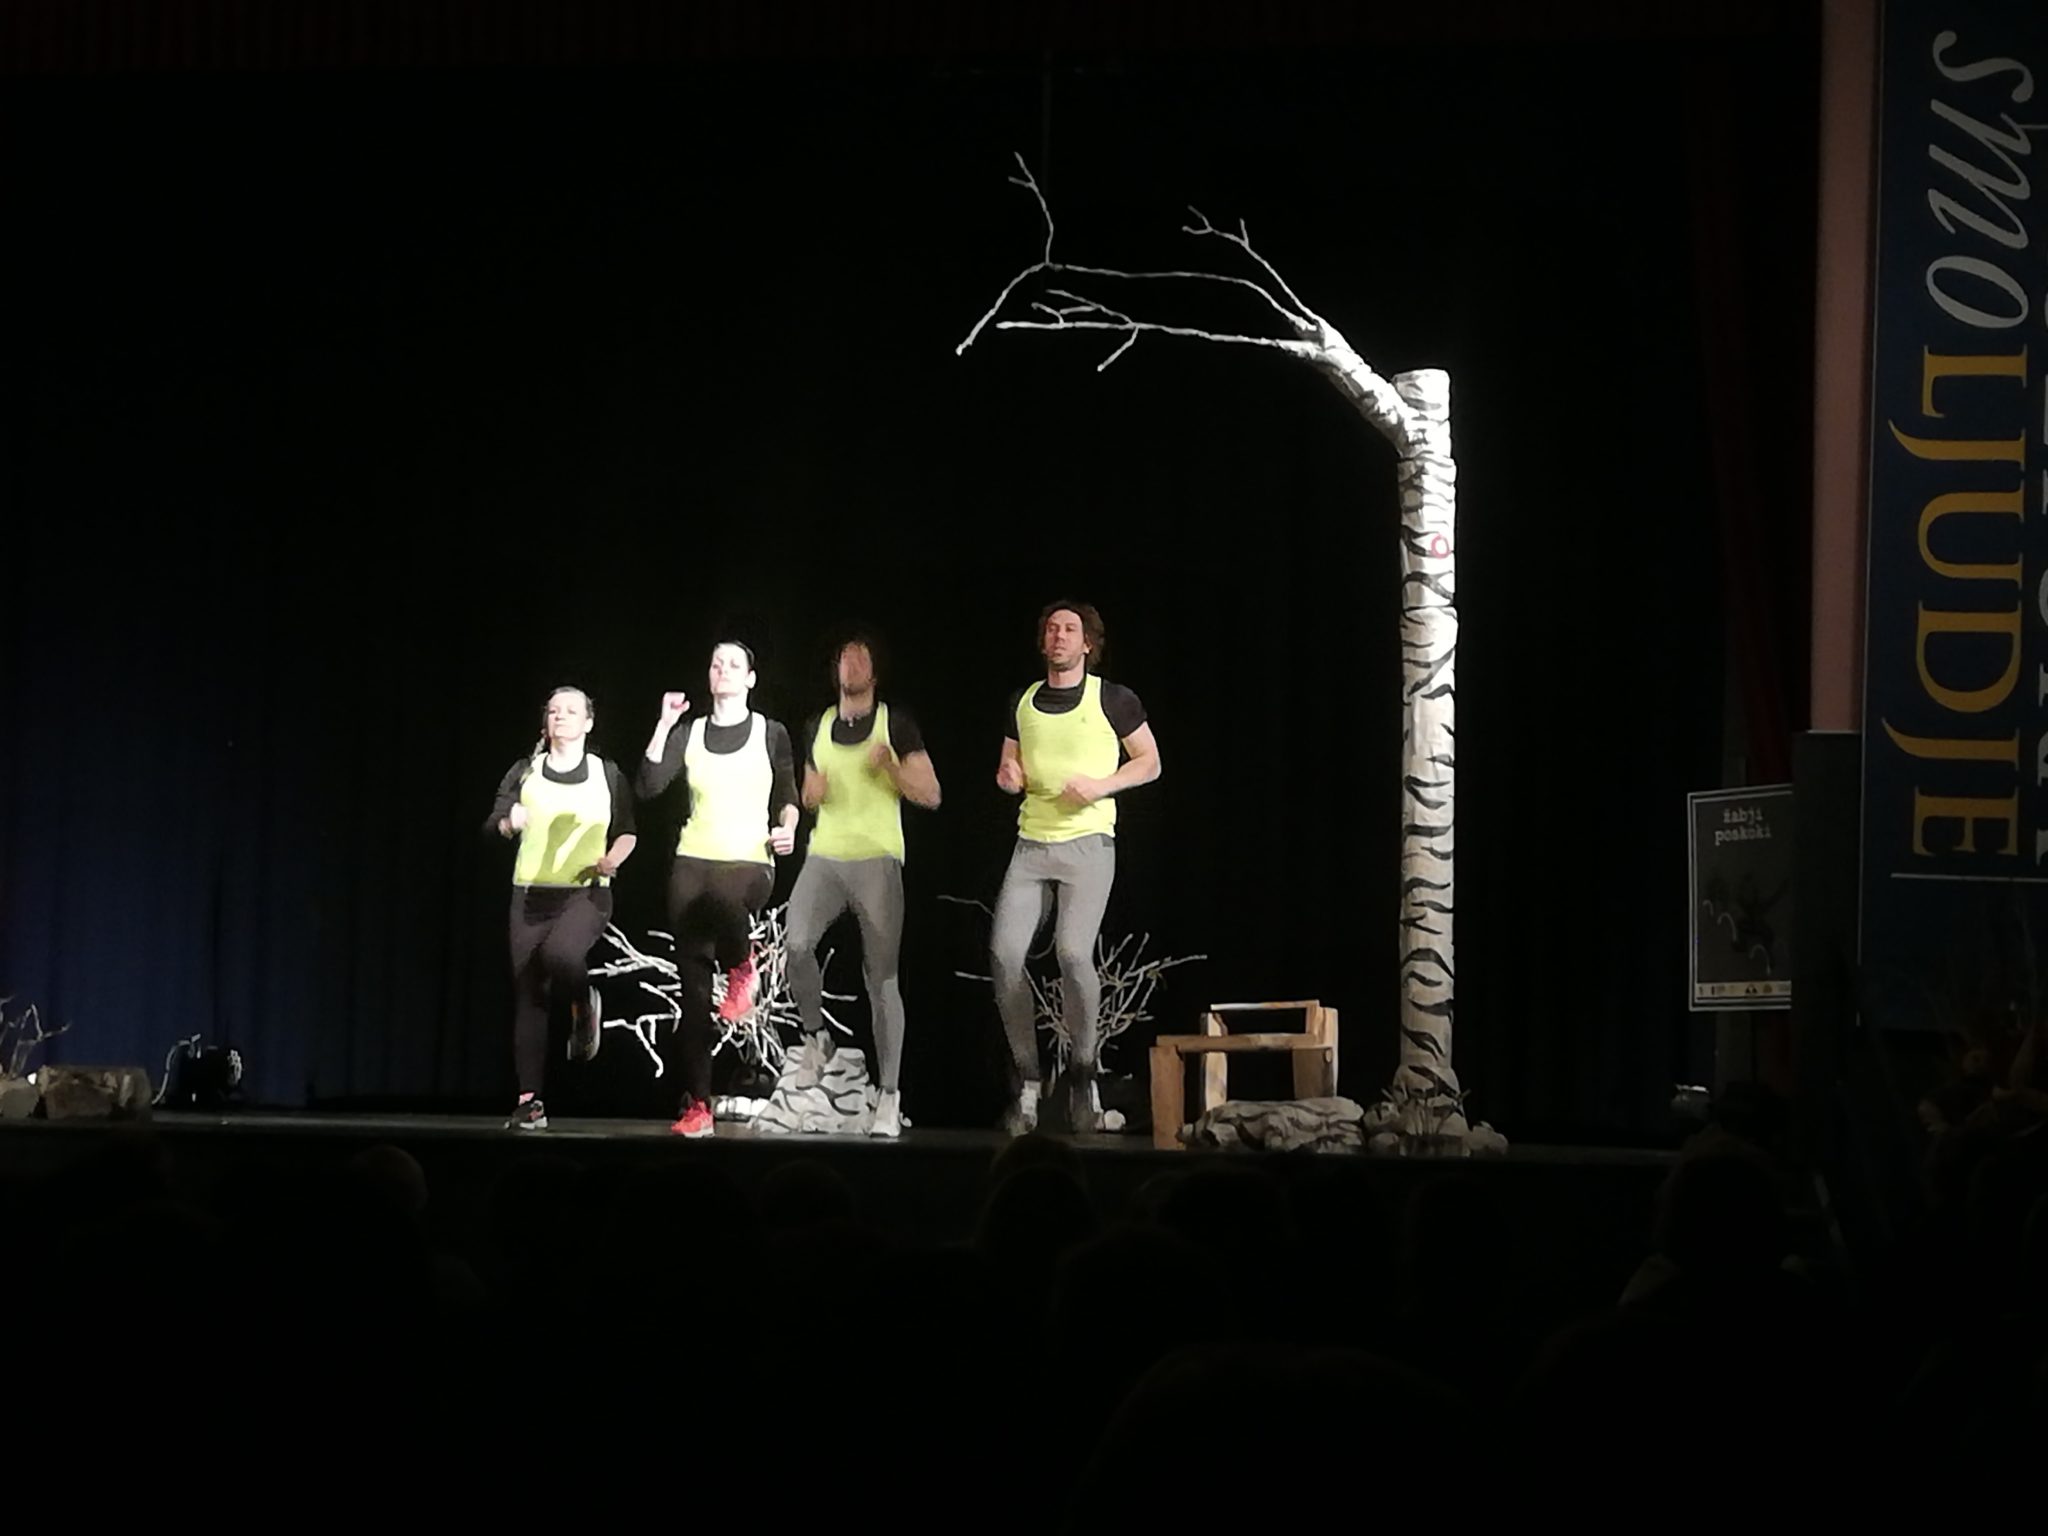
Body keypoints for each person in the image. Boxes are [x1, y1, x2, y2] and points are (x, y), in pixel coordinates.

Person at [992, 601, 1160, 1134]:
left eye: (1070, 629)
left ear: (1088, 643)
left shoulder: (1112, 699)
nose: (1059, 636)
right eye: (1052, 629)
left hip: (1088, 844)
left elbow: (1150, 762)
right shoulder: (1022, 701)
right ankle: (1029, 1081)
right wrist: (1010, 776)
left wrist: (1101, 785)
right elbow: (1010, 765)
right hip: (1032, 845)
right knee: (1004, 956)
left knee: (1071, 952)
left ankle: (1084, 1074)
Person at [640, 641, 799, 1137]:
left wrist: (788, 828)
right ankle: (698, 1107)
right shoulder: (690, 733)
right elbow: (649, 786)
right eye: (716, 664)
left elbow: (788, 795)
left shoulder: (770, 732)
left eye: (733, 664)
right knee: (693, 996)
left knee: (723, 902)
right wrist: (664, 724)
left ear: (751, 678)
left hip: (750, 860)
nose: (723, 670)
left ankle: (742, 964)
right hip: (693, 859)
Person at [789, 635, 941, 1138]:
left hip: (877, 859)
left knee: (881, 979)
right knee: (796, 945)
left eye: (860, 658)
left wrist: (892, 767)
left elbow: (932, 795)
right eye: (843, 658)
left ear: (874, 673)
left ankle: (889, 1096)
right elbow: (809, 793)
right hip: (825, 857)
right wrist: (810, 796)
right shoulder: (817, 725)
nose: (849, 665)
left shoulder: (893, 723)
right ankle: (817, 1037)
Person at [485, 686, 637, 1131]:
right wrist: (508, 823)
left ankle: (584, 1002)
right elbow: (492, 825)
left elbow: (628, 830)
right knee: (529, 995)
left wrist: (613, 859)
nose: (561, 716)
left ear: (589, 722)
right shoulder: (524, 771)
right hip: (530, 895)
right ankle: (530, 1101)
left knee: (561, 955)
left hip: (586, 893)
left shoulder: (606, 773)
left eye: (571, 710)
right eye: (553, 710)